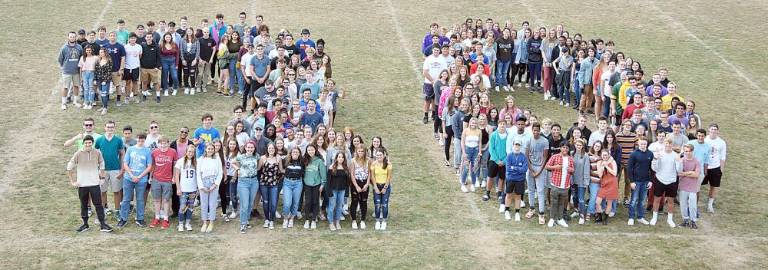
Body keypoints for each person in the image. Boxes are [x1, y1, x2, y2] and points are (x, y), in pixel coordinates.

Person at [67, 135, 112, 232]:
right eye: (86, 143)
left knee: (98, 205)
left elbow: (102, 164)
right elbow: (69, 167)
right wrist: (72, 181)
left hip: (94, 184)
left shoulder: (97, 152)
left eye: (90, 143)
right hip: (82, 185)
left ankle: (103, 224)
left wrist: (102, 177)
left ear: (92, 143)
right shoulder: (78, 153)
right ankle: (85, 224)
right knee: (84, 205)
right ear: (83, 143)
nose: (88, 144)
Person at [117, 133, 152, 229]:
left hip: (142, 179)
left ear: (145, 140)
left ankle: (140, 218)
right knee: (126, 199)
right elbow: (125, 163)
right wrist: (132, 175)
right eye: (139, 139)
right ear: (136, 139)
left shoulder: (147, 151)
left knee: (140, 199)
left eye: (143, 140)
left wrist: (139, 176)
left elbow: (149, 166)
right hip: (129, 178)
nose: (141, 142)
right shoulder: (130, 149)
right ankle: (123, 218)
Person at [94, 121, 124, 217]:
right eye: (108, 127)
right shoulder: (99, 140)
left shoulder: (118, 140)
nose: (110, 129)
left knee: (116, 191)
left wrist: (122, 169)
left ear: (114, 128)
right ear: (105, 128)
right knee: (103, 191)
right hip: (103, 169)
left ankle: (117, 211)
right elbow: (96, 154)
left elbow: (122, 154)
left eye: (112, 127)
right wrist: (98, 168)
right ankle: (103, 210)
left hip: (115, 168)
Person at [147, 136, 177, 229]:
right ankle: (157, 217)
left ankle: (165, 219)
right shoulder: (154, 152)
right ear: (158, 144)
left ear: (168, 143)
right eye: (161, 143)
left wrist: (174, 177)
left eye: (165, 143)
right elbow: (153, 165)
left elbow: (175, 165)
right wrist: (150, 177)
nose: (163, 145)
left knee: (166, 200)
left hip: (167, 180)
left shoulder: (173, 152)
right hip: (156, 179)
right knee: (156, 199)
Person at [650, 138, 680, 228]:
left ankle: (670, 219)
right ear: (664, 144)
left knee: (671, 201)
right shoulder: (659, 154)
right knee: (657, 199)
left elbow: (678, 170)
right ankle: (654, 217)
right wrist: (655, 159)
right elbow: (654, 168)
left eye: (670, 144)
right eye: (666, 144)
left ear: (672, 145)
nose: (668, 146)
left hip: (672, 181)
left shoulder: (675, 155)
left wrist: (678, 161)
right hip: (660, 179)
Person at [544, 141, 574, 228]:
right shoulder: (555, 157)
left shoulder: (570, 159)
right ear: (560, 148)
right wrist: (555, 167)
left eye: (567, 148)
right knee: (554, 202)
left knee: (562, 203)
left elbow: (573, 170)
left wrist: (570, 169)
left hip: (565, 186)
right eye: (563, 147)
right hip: (555, 184)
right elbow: (547, 166)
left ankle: (560, 218)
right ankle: (552, 218)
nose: (565, 149)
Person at [232, 141, 260, 233]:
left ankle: (246, 219)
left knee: (250, 203)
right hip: (243, 182)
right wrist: (238, 169)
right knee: (244, 204)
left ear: (254, 148)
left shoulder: (256, 156)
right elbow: (232, 162)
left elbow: (259, 165)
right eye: (248, 147)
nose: (250, 149)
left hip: (254, 181)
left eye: (252, 147)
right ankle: (243, 223)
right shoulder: (241, 156)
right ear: (245, 148)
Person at [525, 123, 548, 225]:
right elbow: (526, 156)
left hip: (540, 168)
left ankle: (541, 213)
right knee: (530, 189)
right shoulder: (529, 140)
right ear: (532, 130)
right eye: (534, 130)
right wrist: (531, 170)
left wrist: (539, 171)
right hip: (530, 167)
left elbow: (545, 157)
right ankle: (531, 208)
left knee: (540, 190)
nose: (535, 132)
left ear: (540, 130)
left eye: (537, 130)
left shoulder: (545, 141)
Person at [627, 137, 653, 226]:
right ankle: (631, 217)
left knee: (642, 201)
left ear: (647, 144)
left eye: (645, 144)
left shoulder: (650, 154)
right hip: (636, 181)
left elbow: (651, 169)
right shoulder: (634, 154)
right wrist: (632, 181)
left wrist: (650, 180)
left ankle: (640, 217)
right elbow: (629, 168)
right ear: (638, 144)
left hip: (645, 181)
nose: (643, 145)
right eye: (641, 144)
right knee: (634, 200)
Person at [197, 143, 223, 233]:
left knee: (212, 203)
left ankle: (211, 222)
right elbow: (198, 174)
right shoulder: (201, 159)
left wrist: (215, 184)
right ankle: (205, 222)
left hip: (213, 182)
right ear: (205, 149)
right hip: (203, 182)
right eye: (209, 149)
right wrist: (201, 186)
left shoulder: (217, 159)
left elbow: (220, 173)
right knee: (204, 203)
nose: (210, 150)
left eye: (212, 149)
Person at [259, 143, 283, 230]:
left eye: (273, 148)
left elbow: (281, 170)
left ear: (275, 149)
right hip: (264, 183)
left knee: (273, 203)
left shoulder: (278, 158)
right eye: (269, 148)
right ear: (267, 149)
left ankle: (272, 220)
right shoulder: (262, 158)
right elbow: (258, 169)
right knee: (265, 202)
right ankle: (267, 219)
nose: (271, 149)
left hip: (274, 183)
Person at [703, 123, 726, 213]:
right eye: (712, 129)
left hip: (715, 167)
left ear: (718, 131)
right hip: (704, 166)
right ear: (709, 130)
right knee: (698, 185)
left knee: (714, 186)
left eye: (715, 129)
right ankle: (694, 203)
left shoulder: (721, 142)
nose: (713, 131)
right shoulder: (705, 139)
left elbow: (723, 157)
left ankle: (710, 205)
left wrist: (721, 170)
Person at [325, 152, 351, 231]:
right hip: (333, 190)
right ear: (336, 158)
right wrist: (329, 192)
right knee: (332, 206)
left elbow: (347, 182)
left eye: (342, 157)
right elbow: (328, 181)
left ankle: (337, 222)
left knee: (339, 206)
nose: (341, 159)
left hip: (342, 190)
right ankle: (331, 222)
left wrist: (346, 192)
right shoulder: (332, 167)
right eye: (339, 157)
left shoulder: (346, 168)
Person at [173, 146, 198, 232]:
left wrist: (197, 188)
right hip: (183, 188)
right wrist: (178, 188)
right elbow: (176, 176)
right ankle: (180, 224)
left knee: (190, 207)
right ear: (186, 151)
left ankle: (187, 223)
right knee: (182, 206)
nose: (191, 153)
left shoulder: (196, 162)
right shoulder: (180, 161)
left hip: (193, 188)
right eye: (189, 151)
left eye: (192, 152)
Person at [303, 145, 326, 229]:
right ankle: (306, 220)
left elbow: (323, 174)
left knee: (315, 201)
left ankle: (313, 220)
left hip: (317, 184)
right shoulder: (305, 160)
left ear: (315, 150)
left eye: (312, 150)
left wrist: (323, 184)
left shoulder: (319, 161)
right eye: (308, 150)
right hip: (307, 184)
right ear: (307, 151)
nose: (310, 151)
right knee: (308, 202)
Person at [504, 139, 527, 222]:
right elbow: (508, 169)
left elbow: (524, 169)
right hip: (510, 178)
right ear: (513, 145)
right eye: (515, 145)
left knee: (518, 196)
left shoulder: (523, 157)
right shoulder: (509, 156)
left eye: (518, 145)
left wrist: (514, 168)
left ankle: (517, 212)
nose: (517, 146)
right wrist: (518, 169)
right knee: (509, 195)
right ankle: (506, 210)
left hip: (520, 180)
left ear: (520, 146)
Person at [678, 144, 701, 229]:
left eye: (689, 151)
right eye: (686, 151)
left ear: (692, 151)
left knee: (693, 206)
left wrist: (685, 173)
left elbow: (696, 175)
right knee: (683, 205)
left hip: (692, 188)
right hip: (683, 186)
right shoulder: (681, 161)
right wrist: (690, 172)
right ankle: (685, 221)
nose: (687, 153)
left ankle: (693, 221)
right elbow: (679, 173)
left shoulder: (696, 162)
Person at [58, 31, 83, 110]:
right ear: (68, 37)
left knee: (76, 86)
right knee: (66, 87)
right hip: (67, 71)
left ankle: (75, 101)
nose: (72, 38)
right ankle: (63, 103)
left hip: (76, 71)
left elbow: (81, 58)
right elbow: (60, 59)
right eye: (71, 36)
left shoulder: (79, 47)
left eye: (73, 36)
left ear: (76, 38)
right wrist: (64, 66)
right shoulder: (64, 48)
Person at [487, 120, 508, 210]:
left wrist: (504, 161)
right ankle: (487, 192)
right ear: (498, 125)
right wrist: (497, 160)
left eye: (504, 124)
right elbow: (491, 148)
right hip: (494, 160)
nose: (502, 126)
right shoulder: (494, 135)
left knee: (502, 178)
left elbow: (510, 149)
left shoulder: (509, 136)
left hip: (504, 161)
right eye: (500, 124)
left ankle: (499, 192)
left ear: (506, 126)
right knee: (491, 176)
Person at [594, 149, 618, 225]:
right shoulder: (599, 162)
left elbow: (614, 173)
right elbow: (600, 175)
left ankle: (606, 217)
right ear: (601, 155)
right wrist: (602, 166)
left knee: (609, 202)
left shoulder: (613, 162)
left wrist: (607, 166)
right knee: (598, 202)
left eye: (606, 155)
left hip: (612, 183)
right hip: (604, 184)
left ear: (608, 155)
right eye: (603, 155)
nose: (604, 156)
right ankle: (599, 215)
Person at [423, 46, 446, 124]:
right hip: (428, 82)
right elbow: (425, 72)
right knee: (427, 99)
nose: (436, 51)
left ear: (439, 51)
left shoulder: (442, 59)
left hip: (438, 82)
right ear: (432, 50)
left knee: (435, 99)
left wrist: (438, 81)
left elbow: (444, 71)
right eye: (435, 50)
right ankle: (425, 115)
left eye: (437, 50)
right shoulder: (428, 59)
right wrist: (432, 81)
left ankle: (433, 114)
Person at [281, 147, 304, 229]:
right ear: (290, 153)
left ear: (299, 153)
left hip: (298, 183)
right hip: (287, 182)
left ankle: (291, 218)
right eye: (293, 152)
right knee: (287, 203)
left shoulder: (302, 161)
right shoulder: (286, 160)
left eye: (297, 152)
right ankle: (286, 218)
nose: (295, 153)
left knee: (295, 203)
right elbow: (279, 165)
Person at [571, 139, 591, 224]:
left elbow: (586, 169)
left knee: (581, 199)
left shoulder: (585, 155)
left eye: (580, 145)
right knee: (574, 197)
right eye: (577, 145)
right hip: (573, 180)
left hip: (582, 181)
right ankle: (576, 210)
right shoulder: (572, 154)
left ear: (582, 146)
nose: (578, 146)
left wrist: (586, 182)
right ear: (575, 145)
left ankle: (582, 216)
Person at [371, 149, 393, 231]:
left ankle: (384, 221)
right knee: (377, 204)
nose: (379, 156)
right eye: (377, 155)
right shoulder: (373, 164)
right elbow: (372, 176)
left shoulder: (388, 164)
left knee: (384, 204)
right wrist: (375, 187)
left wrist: (385, 188)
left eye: (380, 155)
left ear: (384, 155)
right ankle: (377, 221)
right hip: (377, 185)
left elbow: (389, 177)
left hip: (385, 186)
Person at [350, 146, 370, 229]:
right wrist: (356, 186)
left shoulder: (368, 161)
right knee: (354, 202)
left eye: (362, 151)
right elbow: (352, 174)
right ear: (356, 151)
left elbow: (369, 174)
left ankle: (362, 220)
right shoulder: (353, 161)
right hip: (356, 183)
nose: (360, 153)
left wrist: (366, 184)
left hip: (364, 182)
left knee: (363, 202)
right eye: (359, 151)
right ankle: (354, 220)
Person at [460, 117, 482, 192]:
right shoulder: (465, 130)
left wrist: (479, 152)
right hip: (467, 150)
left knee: (474, 168)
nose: (474, 124)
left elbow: (479, 143)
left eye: (475, 123)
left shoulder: (479, 131)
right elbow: (462, 142)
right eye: (472, 122)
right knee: (466, 168)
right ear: (469, 123)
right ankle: (463, 184)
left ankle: (473, 184)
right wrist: (464, 152)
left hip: (475, 150)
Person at [140, 34, 161, 102]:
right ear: (145, 38)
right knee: (144, 82)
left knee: (156, 82)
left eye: (150, 37)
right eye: (147, 37)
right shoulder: (142, 46)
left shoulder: (156, 46)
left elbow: (159, 57)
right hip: (144, 68)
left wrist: (157, 66)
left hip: (153, 68)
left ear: (152, 38)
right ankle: (144, 95)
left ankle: (158, 96)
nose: (149, 38)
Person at [123, 33, 143, 103]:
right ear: (129, 39)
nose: (133, 39)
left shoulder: (139, 47)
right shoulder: (125, 47)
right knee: (127, 82)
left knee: (135, 82)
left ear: (136, 39)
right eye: (131, 38)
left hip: (135, 67)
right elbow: (124, 57)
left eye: (134, 38)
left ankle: (135, 96)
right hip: (127, 67)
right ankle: (127, 97)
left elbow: (140, 56)